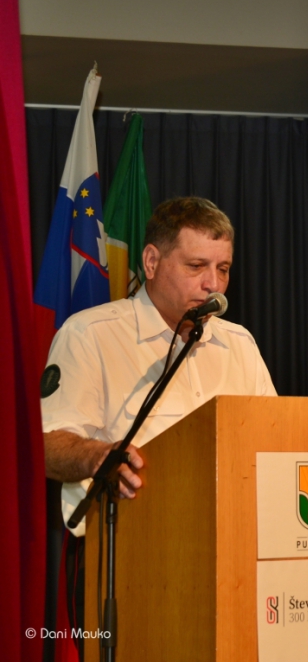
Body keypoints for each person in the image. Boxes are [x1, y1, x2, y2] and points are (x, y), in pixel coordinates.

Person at [42, 195, 276, 529]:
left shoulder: (239, 344)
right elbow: (48, 444)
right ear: (151, 262)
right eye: (196, 266)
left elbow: (273, 441)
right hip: (132, 537)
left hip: (233, 531)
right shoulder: (90, 335)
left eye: (223, 269)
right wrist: (96, 456)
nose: (213, 285)